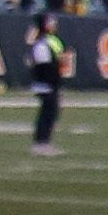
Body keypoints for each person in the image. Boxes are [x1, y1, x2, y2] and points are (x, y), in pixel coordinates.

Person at [27, 11, 70, 154]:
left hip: (49, 83)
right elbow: (44, 67)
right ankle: (41, 142)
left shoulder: (49, 41)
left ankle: (44, 141)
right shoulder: (42, 43)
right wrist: (53, 82)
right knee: (47, 113)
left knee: (51, 112)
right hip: (45, 84)